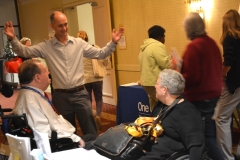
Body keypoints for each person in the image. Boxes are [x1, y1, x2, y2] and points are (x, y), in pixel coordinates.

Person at [4, 11, 124, 137]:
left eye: (66, 24)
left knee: (90, 129)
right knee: (65, 132)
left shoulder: (79, 43)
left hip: (80, 93)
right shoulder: (46, 46)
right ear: (52, 26)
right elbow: (24, 51)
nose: (64, 28)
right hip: (60, 97)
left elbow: (101, 54)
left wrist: (113, 42)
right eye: (60, 25)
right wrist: (13, 39)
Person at [12, 59, 95, 149]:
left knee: (92, 137)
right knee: (98, 143)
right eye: (46, 71)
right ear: (37, 77)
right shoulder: (30, 100)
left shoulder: (31, 94)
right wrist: (74, 138)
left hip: (60, 136)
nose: (49, 73)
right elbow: (42, 132)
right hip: (56, 144)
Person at [180, 12, 224, 160]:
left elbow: (192, 77)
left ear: (189, 28)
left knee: (205, 139)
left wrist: (178, 70)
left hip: (201, 97)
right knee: (209, 136)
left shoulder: (194, 46)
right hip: (214, 95)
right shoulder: (211, 43)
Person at [134, 69, 205, 160]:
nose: (155, 86)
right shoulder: (160, 105)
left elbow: (197, 147)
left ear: (164, 89)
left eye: (157, 83)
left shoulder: (187, 113)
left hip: (167, 156)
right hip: (149, 150)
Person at [212, 9, 240, 160]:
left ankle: (226, 157)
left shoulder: (230, 37)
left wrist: (221, 74)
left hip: (234, 84)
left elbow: (229, 60)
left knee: (221, 118)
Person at [77, 30, 109, 130]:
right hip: (97, 78)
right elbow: (105, 59)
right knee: (99, 98)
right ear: (87, 38)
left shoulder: (77, 51)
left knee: (88, 99)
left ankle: (90, 117)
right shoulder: (94, 47)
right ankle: (98, 115)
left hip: (85, 79)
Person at [138, 25, 171, 112]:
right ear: (160, 37)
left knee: (154, 106)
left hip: (146, 82)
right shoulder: (157, 45)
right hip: (155, 82)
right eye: (164, 36)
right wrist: (175, 61)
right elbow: (166, 64)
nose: (164, 39)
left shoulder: (144, 47)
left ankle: (154, 122)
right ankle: (163, 123)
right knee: (165, 106)